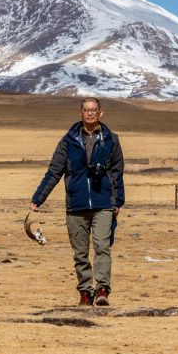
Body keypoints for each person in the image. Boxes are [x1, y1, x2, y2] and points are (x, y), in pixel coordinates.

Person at [30, 97, 124, 307]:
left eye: (94, 110)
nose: (90, 113)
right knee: (80, 252)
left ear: (101, 113)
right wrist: (38, 198)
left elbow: (118, 172)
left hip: (103, 203)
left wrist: (118, 201)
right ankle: (85, 291)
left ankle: (102, 289)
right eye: (86, 110)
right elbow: (54, 172)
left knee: (102, 246)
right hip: (76, 204)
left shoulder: (111, 140)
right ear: (80, 113)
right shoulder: (68, 141)